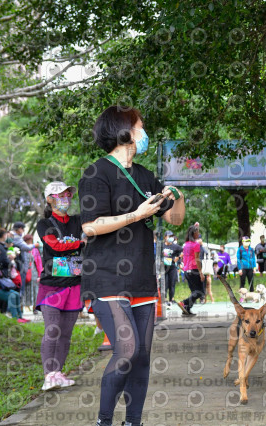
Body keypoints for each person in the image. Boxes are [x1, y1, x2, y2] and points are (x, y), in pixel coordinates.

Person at [78, 106, 185, 426]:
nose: (144, 132)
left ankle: (133, 422)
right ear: (124, 131)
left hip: (141, 277)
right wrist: (136, 215)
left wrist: (176, 194)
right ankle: (104, 421)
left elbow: (175, 220)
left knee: (141, 358)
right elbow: (90, 227)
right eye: (140, 126)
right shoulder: (95, 172)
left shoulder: (144, 175)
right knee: (126, 349)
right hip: (106, 277)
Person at [35, 181, 85, 390]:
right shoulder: (44, 224)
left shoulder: (78, 221)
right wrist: (81, 243)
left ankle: (57, 373)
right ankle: (48, 375)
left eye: (67, 194)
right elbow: (54, 246)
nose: (64, 198)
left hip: (75, 285)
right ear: (49, 199)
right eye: (59, 195)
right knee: (52, 329)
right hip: (52, 286)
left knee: (65, 332)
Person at [176, 226, 205, 315]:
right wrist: (200, 273)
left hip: (186, 270)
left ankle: (187, 309)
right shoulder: (196, 245)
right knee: (200, 292)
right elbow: (197, 259)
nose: (198, 234)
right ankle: (184, 302)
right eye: (197, 232)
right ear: (193, 234)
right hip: (194, 270)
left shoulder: (186, 244)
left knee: (194, 291)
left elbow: (184, 257)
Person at [162, 230, 183, 306]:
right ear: (165, 237)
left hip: (172, 267)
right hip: (163, 268)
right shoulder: (162, 246)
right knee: (165, 284)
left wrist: (178, 258)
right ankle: (164, 299)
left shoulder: (175, 246)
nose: (171, 238)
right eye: (169, 236)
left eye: (172, 236)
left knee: (172, 283)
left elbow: (183, 251)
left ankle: (171, 299)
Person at [198, 237, 215, 303]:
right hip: (197, 268)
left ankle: (203, 298)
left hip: (203, 269)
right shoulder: (195, 248)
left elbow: (207, 253)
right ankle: (201, 298)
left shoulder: (202, 248)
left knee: (205, 286)